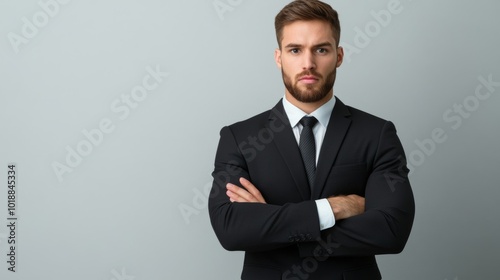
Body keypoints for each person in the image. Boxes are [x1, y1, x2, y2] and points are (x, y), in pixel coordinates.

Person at [208, 0, 415, 279]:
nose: (308, 64)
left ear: (339, 56)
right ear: (279, 57)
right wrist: (333, 208)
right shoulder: (239, 138)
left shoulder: (377, 134)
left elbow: (391, 230)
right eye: (295, 50)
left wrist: (270, 223)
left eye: (321, 49)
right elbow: (231, 229)